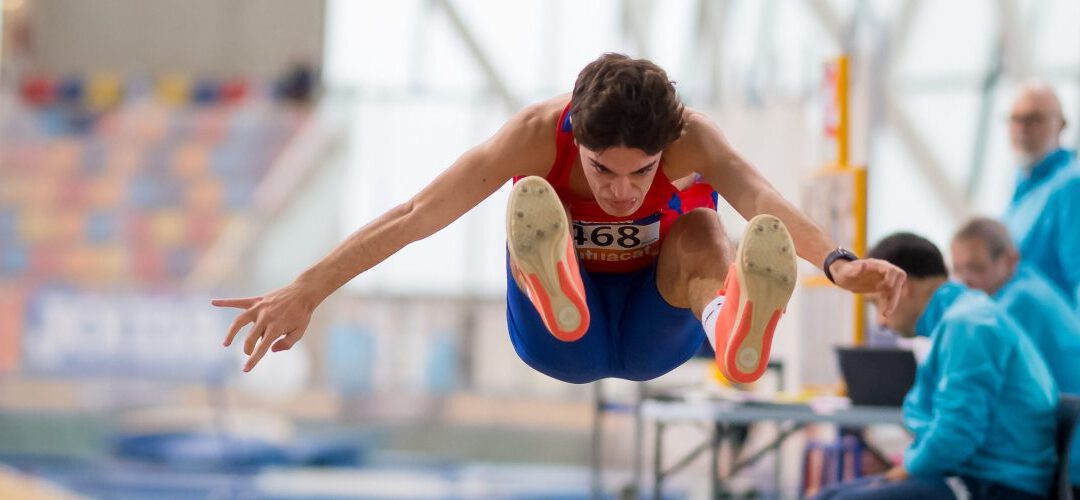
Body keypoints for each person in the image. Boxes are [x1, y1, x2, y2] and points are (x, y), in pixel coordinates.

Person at [212, 53, 904, 384]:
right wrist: (308, 287)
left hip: (654, 325)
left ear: (666, 143)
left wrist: (840, 263)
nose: (625, 192)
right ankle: (554, 287)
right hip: (556, 339)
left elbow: (766, 201)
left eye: (643, 171)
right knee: (531, 207)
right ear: (576, 135)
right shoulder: (536, 136)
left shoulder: (695, 138)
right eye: (604, 170)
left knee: (708, 226)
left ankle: (730, 327)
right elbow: (417, 214)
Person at [815, 233, 1057, 500]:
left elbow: (957, 434)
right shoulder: (963, 319)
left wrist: (909, 466)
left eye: (876, 303)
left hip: (994, 486)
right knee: (829, 494)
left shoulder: (968, 325)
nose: (881, 323)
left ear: (900, 286)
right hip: (973, 475)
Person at [951, 216, 1080, 494]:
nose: (965, 281)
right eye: (958, 270)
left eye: (976, 268)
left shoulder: (1018, 304)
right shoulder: (1029, 288)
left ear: (1010, 259)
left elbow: (972, 387)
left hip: (1064, 460)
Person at [1002, 81, 1080, 311]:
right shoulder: (1022, 185)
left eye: (1034, 119)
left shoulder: (1070, 186)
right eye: (1015, 119)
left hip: (1054, 340)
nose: (1022, 128)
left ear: (1062, 125)